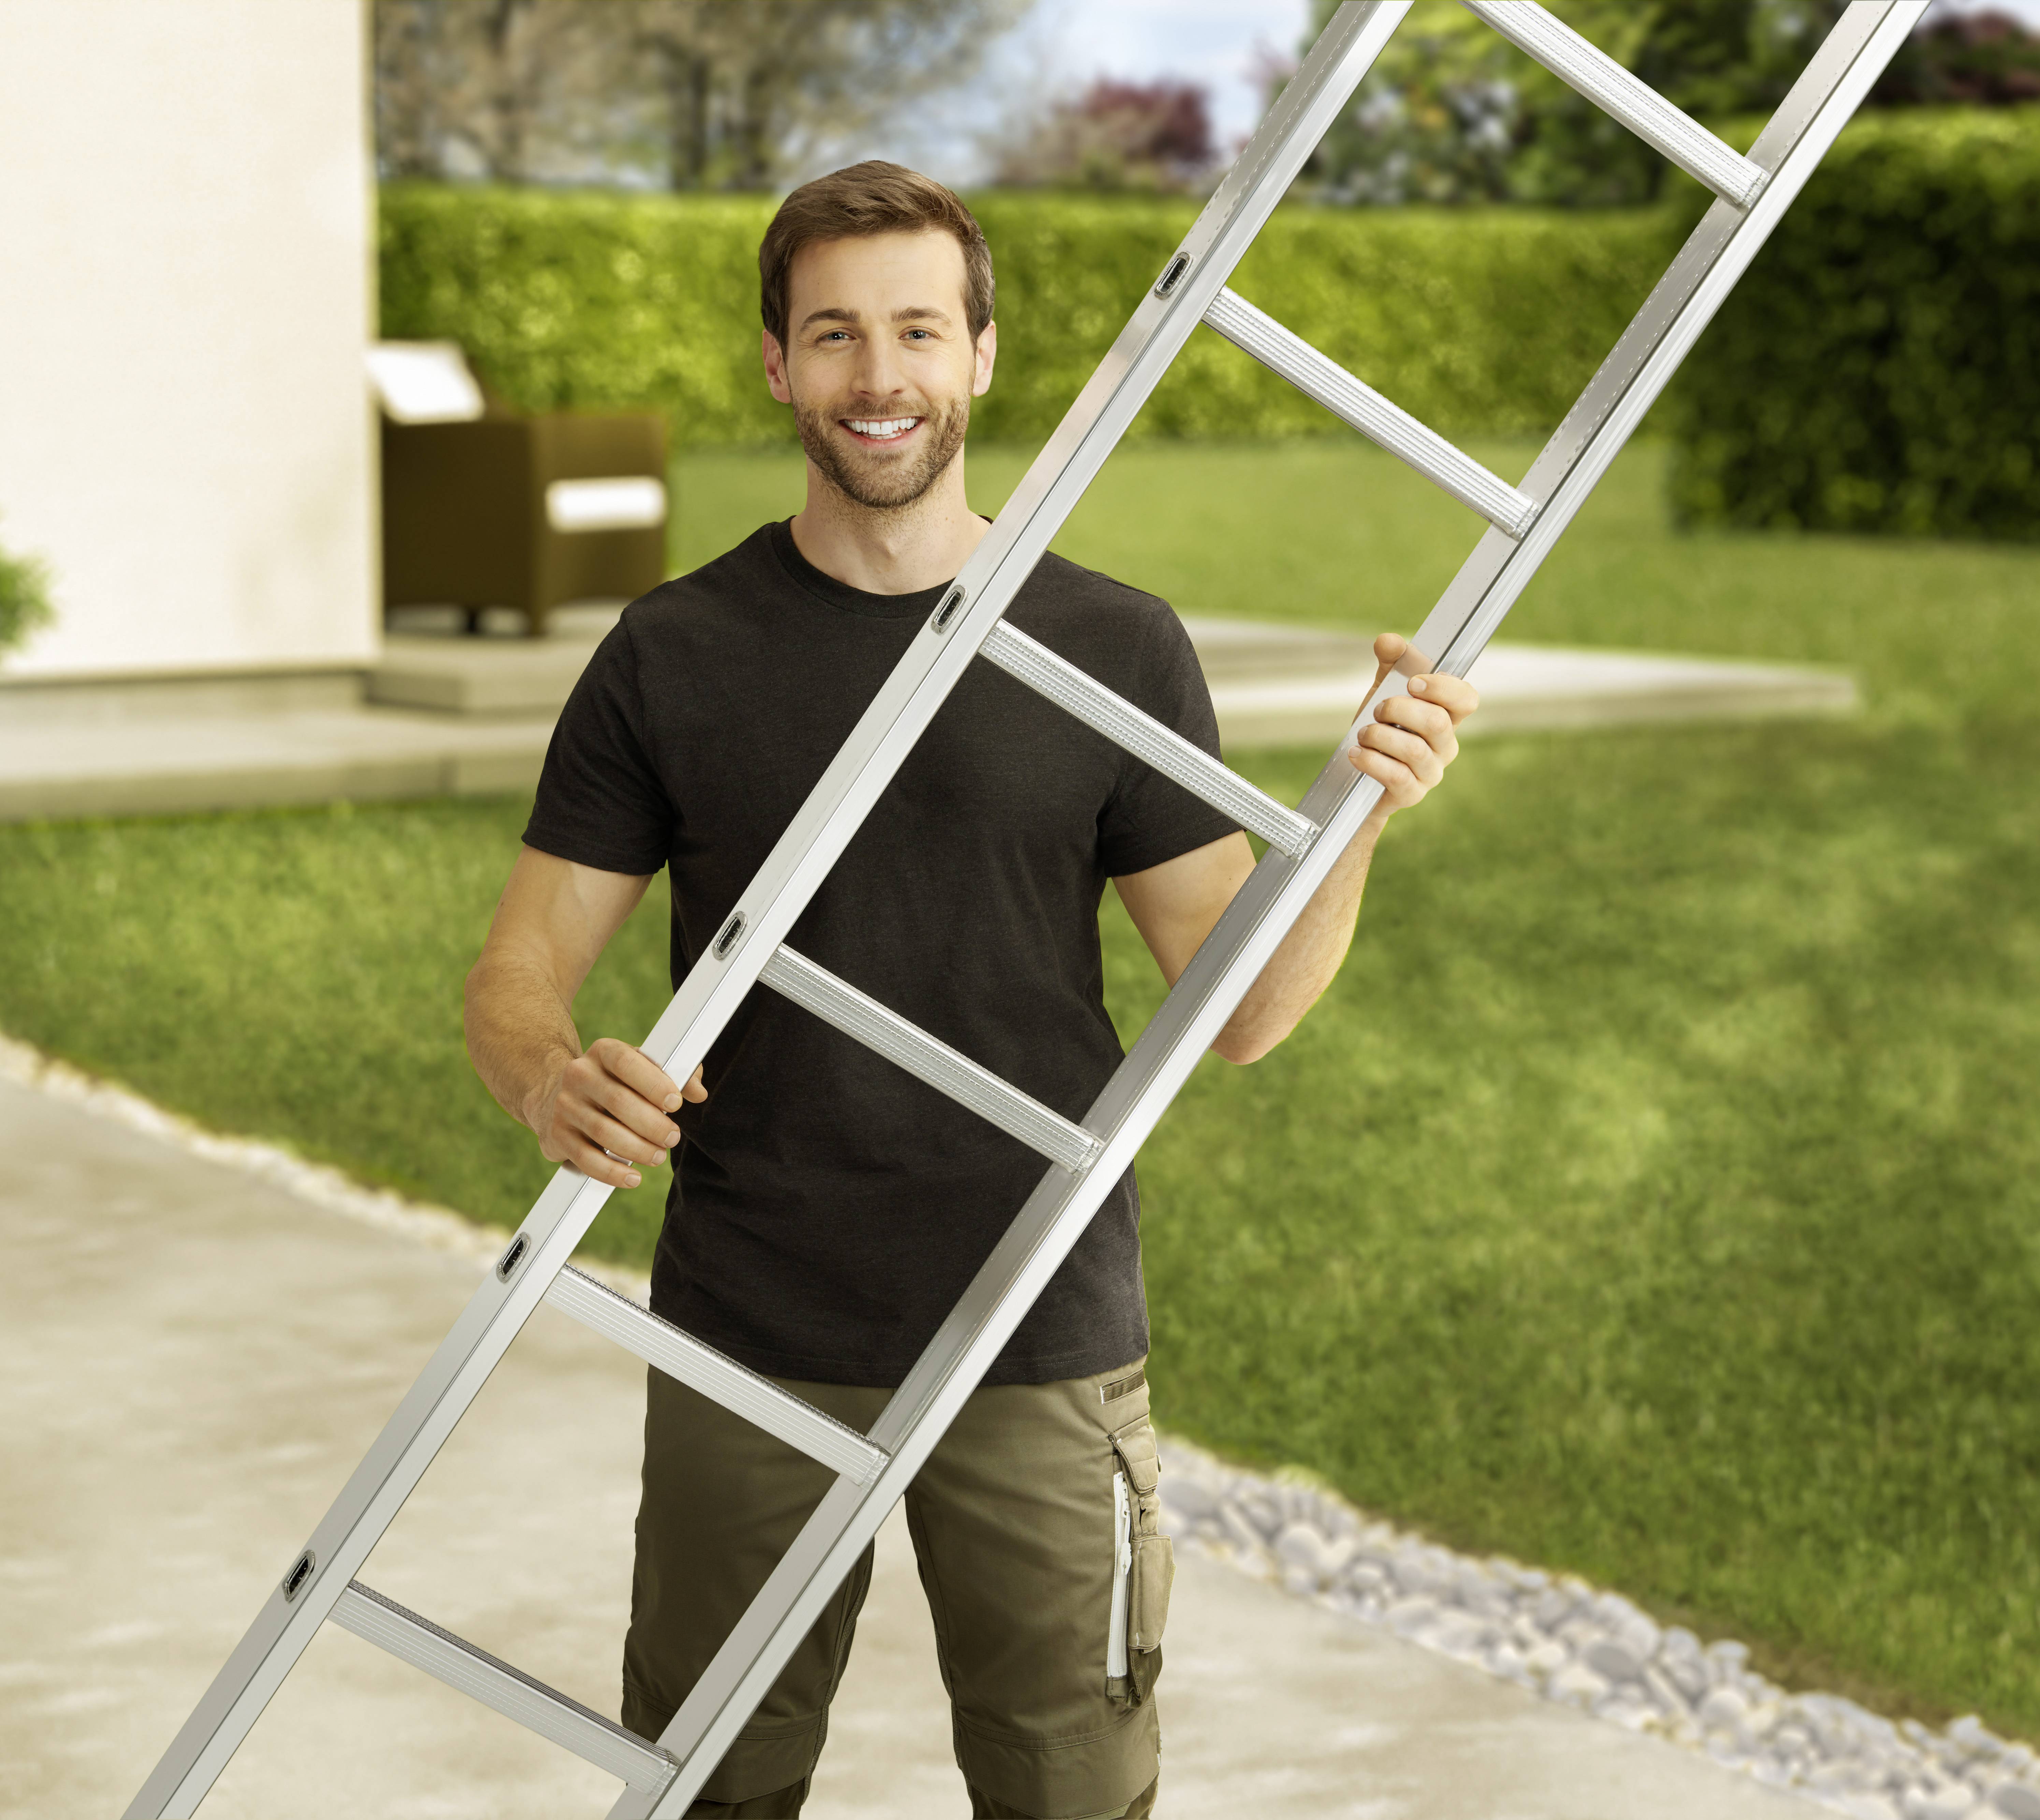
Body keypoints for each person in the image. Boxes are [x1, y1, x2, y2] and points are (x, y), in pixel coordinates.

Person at [462, 160, 1480, 1819]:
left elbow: (1241, 1007)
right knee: (706, 1789)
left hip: (1037, 1318)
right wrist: (544, 1075)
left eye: (918, 330)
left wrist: (1357, 812)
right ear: (777, 365)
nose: (881, 377)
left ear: (982, 356)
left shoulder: (1109, 643)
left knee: (1071, 1793)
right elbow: (518, 969)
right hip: (755, 1325)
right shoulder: (674, 651)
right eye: (836, 334)